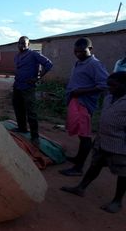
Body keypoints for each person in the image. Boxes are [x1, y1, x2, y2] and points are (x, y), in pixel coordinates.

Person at [60, 72, 126, 214]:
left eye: (113, 86)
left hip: (120, 145)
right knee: (94, 166)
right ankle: (81, 187)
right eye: (108, 86)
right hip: (102, 140)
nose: (109, 89)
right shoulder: (109, 98)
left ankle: (117, 201)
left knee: (123, 173)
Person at [59, 37, 109, 176]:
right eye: (76, 51)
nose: (78, 54)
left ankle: (78, 168)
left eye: (82, 51)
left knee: (85, 135)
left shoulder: (94, 64)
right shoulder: (80, 62)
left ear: (90, 49)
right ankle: (77, 159)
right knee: (81, 135)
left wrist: (81, 91)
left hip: (84, 104)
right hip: (76, 102)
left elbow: (104, 84)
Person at [12, 36, 53, 144]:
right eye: (19, 43)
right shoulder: (17, 56)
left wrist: (38, 77)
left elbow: (48, 64)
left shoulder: (34, 54)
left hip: (28, 88)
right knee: (18, 108)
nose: (21, 45)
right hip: (17, 86)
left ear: (28, 44)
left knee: (31, 112)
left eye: (23, 43)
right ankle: (22, 128)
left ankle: (35, 136)